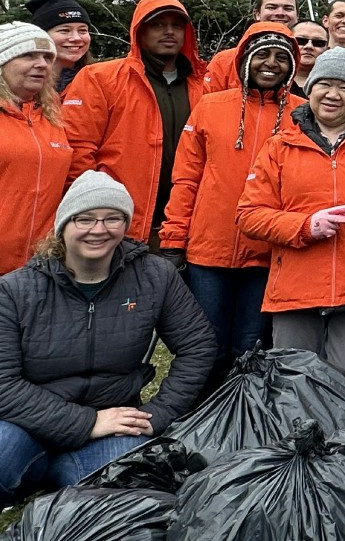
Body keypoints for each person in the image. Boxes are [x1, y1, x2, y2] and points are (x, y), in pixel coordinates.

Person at [0, 171, 214, 503]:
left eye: (112, 218)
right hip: (29, 424)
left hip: (114, 421)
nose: (99, 230)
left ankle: (66, 487)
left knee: (124, 494)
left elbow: (198, 346)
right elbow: (3, 383)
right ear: (63, 225)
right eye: (84, 219)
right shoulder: (16, 290)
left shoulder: (155, 277)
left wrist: (158, 415)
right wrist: (86, 422)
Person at [236, 48, 345, 373]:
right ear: (310, 88)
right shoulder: (279, 146)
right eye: (324, 84)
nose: (332, 95)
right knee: (293, 387)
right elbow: (249, 215)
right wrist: (306, 226)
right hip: (294, 291)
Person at [158, 23, 297, 387]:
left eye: (282, 57)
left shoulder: (301, 114)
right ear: (244, 59)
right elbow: (186, 177)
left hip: (268, 252)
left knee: (250, 347)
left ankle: (240, 421)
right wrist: (173, 238)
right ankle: (197, 417)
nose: (271, 64)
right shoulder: (211, 106)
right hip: (209, 250)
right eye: (262, 55)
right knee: (207, 346)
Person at [62, 0, 206, 243]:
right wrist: (94, 211)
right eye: (158, 25)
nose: (169, 32)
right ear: (139, 31)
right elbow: (78, 150)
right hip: (116, 224)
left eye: (176, 25)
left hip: (185, 227)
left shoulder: (204, 87)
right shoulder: (100, 78)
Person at [0, 25, 72, 276]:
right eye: (28, 56)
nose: (42, 64)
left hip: (41, 266)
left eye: (47, 58)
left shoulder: (54, 118)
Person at [203, 0, 299, 92]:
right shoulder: (225, 61)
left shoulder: (308, 58)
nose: (280, 13)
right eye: (272, 7)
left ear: (297, 16)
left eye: (288, 8)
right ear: (257, 14)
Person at [26, 0, 92, 94]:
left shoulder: (97, 81)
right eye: (65, 31)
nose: (76, 38)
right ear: (41, 35)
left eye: (82, 31)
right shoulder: (19, 86)